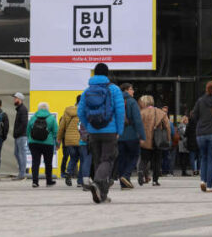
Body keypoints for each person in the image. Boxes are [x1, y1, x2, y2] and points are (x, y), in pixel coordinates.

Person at [77, 63, 125, 203]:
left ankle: (102, 196)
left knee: (98, 161)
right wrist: (119, 130)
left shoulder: (87, 91)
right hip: (110, 131)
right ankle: (97, 183)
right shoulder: (114, 89)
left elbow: (80, 112)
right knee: (108, 160)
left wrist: (89, 126)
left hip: (94, 132)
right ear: (107, 74)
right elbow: (120, 111)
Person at [191, 81, 212, 192]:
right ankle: (209, 186)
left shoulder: (200, 101)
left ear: (206, 89)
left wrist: (201, 123)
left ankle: (202, 181)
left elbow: (194, 116)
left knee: (203, 157)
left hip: (201, 133)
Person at [117, 83, 146, 189]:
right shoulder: (132, 102)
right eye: (131, 89)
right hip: (131, 134)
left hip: (119, 135)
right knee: (135, 155)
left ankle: (124, 183)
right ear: (125, 90)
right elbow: (138, 121)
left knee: (122, 158)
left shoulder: (116, 101)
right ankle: (126, 175)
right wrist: (142, 136)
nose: (133, 91)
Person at [137, 95, 170, 187]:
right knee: (157, 161)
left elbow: (137, 126)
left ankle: (140, 172)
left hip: (145, 140)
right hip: (158, 140)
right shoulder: (161, 112)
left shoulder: (141, 113)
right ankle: (155, 180)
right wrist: (168, 139)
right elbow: (167, 127)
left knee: (144, 159)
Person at [27, 102, 58, 187]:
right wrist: (57, 143)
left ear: (38, 109)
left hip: (34, 143)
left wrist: (29, 140)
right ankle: (49, 181)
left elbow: (28, 130)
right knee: (48, 163)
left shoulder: (33, 118)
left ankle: (35, 182)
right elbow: (56, 132)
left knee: (35, 162)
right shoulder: (51, 118)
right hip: (48, 143)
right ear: (47, 109)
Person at [58, 95, 81, 186]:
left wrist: (58, 140)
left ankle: (68, 172)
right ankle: (80, 181)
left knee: (73, 158)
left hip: (69, 140)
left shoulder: (68, 111)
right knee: (83, 159)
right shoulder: (84, 111)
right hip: (80, 139)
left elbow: (61, 127)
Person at [12, 92, 28, 181]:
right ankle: (21, 172)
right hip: (19, 135)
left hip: (21, 135)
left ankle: (22, 174)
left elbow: (24, 123)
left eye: (15, 98)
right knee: (17, 153)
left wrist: (17, 132)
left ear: (20, 99)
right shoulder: (20, 109)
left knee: (22, 154)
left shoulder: (23, 109)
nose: (14, 100)